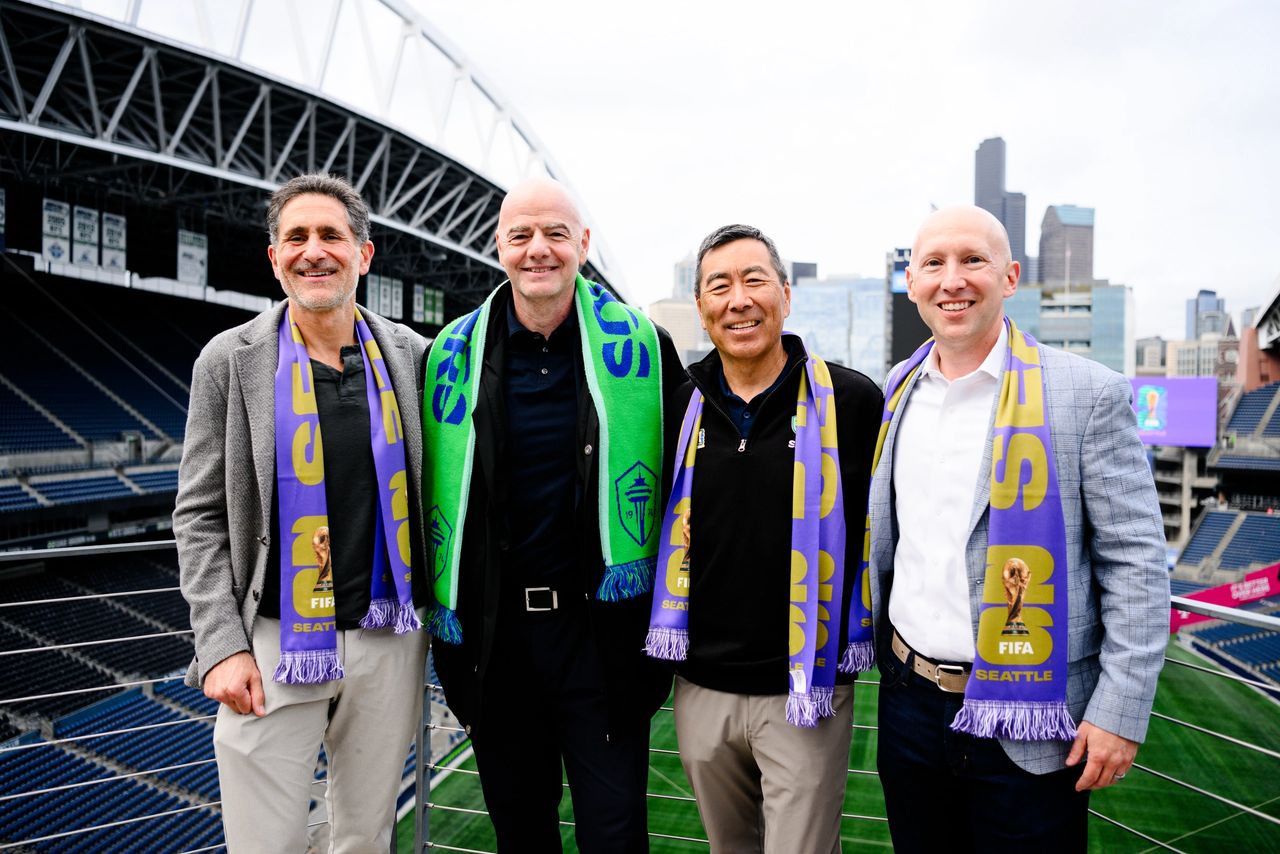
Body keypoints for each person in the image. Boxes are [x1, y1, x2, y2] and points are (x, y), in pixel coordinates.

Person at [868, 205, 1169, 851]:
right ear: (912, 281)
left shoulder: (1089, 393)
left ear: (1010, 277)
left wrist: (1119, 711)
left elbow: (1137, 564)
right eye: (933, 264)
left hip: (1035, 720)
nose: (952, 280)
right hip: (910, 707)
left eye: (972, 260)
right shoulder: (898, 390)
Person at [421, 178, 683, 852]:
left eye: (556, 235)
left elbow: (692, 483)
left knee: (617, 836)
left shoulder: (647, 350)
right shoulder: (447, 357)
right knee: (522, 838)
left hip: (600, 643)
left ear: (583, 246)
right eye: (522, 236)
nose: (539, 250)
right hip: (497, 646)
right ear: (499, 247)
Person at [175, 173, 429, 853]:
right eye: (297, 237)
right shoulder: (230, 360)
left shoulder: (412, 356)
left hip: (387, 633)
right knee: (264, 841)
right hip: (272, 636)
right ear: (275, 257)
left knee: (365, 836)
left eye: (331, 235)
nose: (313, 251)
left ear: (363, 254)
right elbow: (197, 514)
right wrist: (221, 645)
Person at [645, 224, 883, 852]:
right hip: (702, 690)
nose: (738, 299)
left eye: (754, 280)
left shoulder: (853, 401)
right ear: (701, 307)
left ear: (784, 294)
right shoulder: (676, 404)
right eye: (719, 286)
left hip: (805, 691)